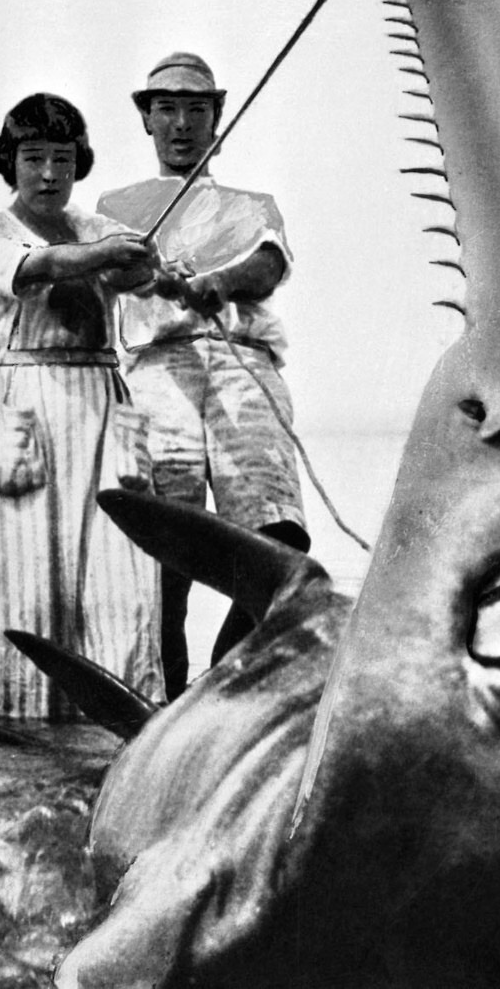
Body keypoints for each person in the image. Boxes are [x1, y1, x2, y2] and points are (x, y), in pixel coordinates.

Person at [0, 93, 165, 719]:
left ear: (78, 163)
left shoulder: (99, 230)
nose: (49, 174)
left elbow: (139, 276)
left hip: (101, 410)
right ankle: (9, 721)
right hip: (20, 413)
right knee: (19, 581)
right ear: (10, 162)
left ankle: (112, 730)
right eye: (33, 158)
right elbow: (42, 268)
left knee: (119, 582)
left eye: (63, 159)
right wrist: (112, 256)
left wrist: (145, 262)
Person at [97, 52, 309, 699]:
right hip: (157, 365)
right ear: (146, 119)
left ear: (218, 117)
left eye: (196, 110)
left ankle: (225, 683)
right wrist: (150, 274)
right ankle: (165, 698)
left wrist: (219, 282)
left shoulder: (253, 205)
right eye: (167, 110)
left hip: (242, 358)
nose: (181, 124)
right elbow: (108, 272)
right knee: (168, 539)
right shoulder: (117, 203)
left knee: (279, 539)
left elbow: (268, 265)